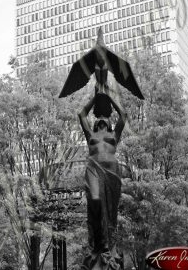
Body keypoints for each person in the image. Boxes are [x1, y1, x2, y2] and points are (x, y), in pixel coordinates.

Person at [78, 91, 127, 255]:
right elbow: (82, 114)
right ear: (95, 123)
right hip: (93, 168)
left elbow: (123, 115)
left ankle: (105, 243)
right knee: (96, 201)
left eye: (104, 121)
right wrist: (97, 97)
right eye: (98, 122)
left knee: (108, 207)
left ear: (108, 123)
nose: (101, 123)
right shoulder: (90, 135)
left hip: (111, 172)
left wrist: (110, 98)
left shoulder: (114, 135)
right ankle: (98, 242)